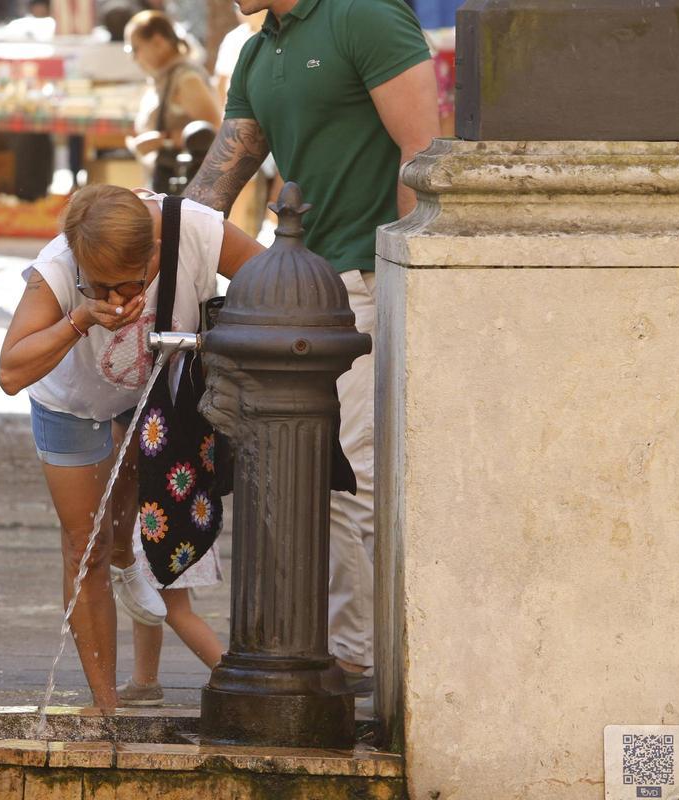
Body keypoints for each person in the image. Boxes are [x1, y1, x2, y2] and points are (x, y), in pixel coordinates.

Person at [184, 0, 441, 714]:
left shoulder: (365, 17)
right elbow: (216, 182)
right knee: (292, 474)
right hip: (298, 293)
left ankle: (350, 659)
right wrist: (156, 233)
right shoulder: (257, 48)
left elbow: (426, 158)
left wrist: (403, 280)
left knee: (341, 477)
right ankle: (319, 650)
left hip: (363, 279)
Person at [0, 184, 263, 709]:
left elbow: (279, 284)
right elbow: (10, 371)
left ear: (155, 251)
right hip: (71, 402)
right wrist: (80, 318)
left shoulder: (192, 230)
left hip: (153, 394)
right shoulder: (57, 266)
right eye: (101, 287)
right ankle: (106, 705)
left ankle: (127, 560)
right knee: (83, 544)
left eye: (127, 285)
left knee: (124, 520)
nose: (116, 301)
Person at [117, 522, 226, 705]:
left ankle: (232, 675)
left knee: (177, 611)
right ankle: (145, 681)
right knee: (144, 605)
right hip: (171, 526)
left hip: (161, 531)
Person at [124, 10, 221, 192]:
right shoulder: (166, 76)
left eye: (135, 49)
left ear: (158, 42)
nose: (134, 58)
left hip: (185, 185)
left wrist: (164, 140)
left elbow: (212, 130)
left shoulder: (186, 79)